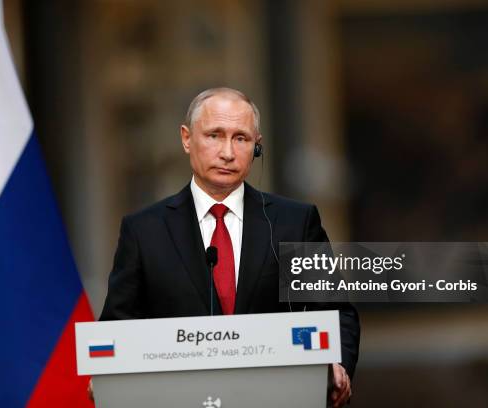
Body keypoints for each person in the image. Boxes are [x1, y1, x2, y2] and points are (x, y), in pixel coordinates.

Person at [100, 87, 360, 407]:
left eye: (241, 138)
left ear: (257, 147)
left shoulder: (294, 222)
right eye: (214, 135)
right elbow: (118, 326)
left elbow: (335, 312)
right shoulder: (144, 230)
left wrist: (338, 365)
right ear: (186, 139)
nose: (227, 152)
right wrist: (108, 375)